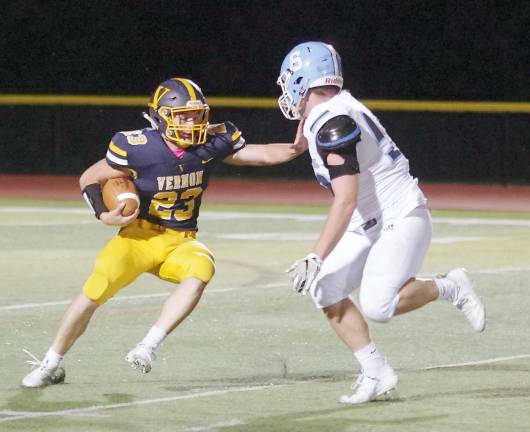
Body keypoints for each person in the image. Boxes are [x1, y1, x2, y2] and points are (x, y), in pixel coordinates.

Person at [21, 77, 307, 388]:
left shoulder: (212, 142)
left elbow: (261, 153)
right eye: (182, 114)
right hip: (137, 237)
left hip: (180, 241)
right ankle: (49, 363)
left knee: (202, 267)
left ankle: (147, 346)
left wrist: (297, 148)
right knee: (94, 290)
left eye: (195, 113)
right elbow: (89, 177)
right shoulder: (137, 146)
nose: (191, 121)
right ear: (160, 116)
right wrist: (104, 214)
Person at [278, 42, 486, 404]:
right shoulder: (330, 111)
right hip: (368, 221)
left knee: (378, 305)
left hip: (400, 216)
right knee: (325, 290)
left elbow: (345, 200)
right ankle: (376, 372)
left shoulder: (332, 122)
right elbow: (308, 150)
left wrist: (316, 255)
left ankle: (450, 286)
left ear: (302, 82)